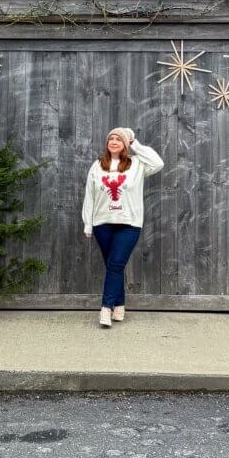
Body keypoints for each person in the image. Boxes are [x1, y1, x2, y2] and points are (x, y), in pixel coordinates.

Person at [82, 126, 164, 328]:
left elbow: (158, 163)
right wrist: (88, 223)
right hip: (103, 223)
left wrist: (134, 142)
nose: (114, 141)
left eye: (119, 139)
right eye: (111, 138)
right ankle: (119, 304)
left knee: (116, 264)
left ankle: (105, 307)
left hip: (129, 224)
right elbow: (89, 195)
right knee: (113, 266)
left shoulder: (137, 165)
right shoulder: (97, 165)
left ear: (125, 144)